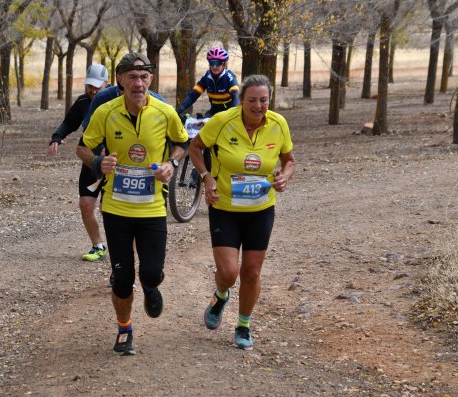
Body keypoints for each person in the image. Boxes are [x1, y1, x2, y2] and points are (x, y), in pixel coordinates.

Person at [76, 53, 189, 356]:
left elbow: (182, 143)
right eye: (132, 77)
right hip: (116, 209)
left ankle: (151, 288)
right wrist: (99, 161)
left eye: (144, 77)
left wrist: (171, 164)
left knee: (150, 273)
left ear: (151, 79)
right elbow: (82, 148)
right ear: (120, 80)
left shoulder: (165, 112)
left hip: (152, 209)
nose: (138, 84)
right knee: (123, 279)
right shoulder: (105, 111)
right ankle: (124, 328)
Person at [188, 74, 296, 350]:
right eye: (252, 100)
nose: (258, 106)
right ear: (241, 100)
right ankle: (220, 295)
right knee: (228, 272)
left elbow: (289, 160)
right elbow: (196, 148)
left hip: (260, 209)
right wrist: (206, 177)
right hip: (225, 208)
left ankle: (244, 324)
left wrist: (284, 176)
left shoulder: (278, 124)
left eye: (263, 100)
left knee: (251, 272)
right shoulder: (222, 121)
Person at [47, 63, 110, 262]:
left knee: (110, 209)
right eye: (90, 86)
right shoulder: (83, 101)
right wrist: (57, 136)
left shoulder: (118, 100)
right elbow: (70, 122)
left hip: (115, 162)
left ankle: (120, 246)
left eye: (97, 86)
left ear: (107, 83)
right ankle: (97, 245)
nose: (93, 90)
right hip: (91, 160)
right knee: (85, 203)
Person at [176, 47, 240, 118]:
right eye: (212, 63)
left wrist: (231, 114)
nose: (214, 66)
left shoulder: (229, 77)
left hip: (229, 111)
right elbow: (193, 95)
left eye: (218, 63)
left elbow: (236, 96)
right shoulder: (207, 77)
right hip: (214, 111)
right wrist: (180, 109)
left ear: (223, 64)